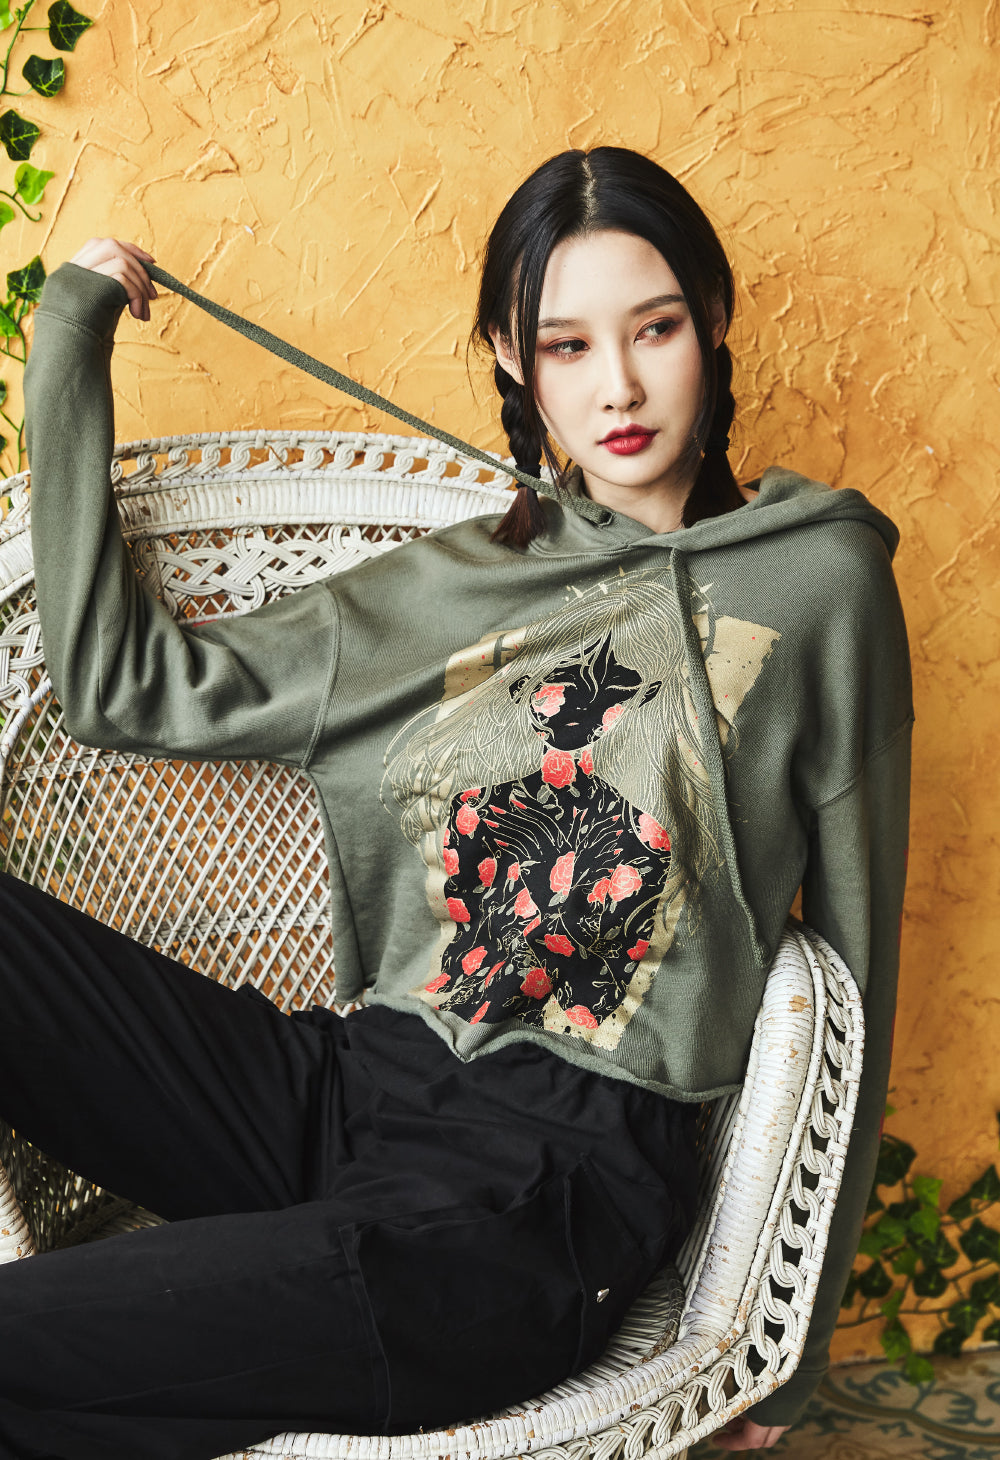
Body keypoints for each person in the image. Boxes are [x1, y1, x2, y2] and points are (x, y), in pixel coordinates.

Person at [3, 145, 912, 1460]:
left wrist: (786, 1347)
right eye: (566, 346)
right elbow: (121, 688)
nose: (617, 386)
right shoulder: (457, 589)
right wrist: (72, 335)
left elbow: (858, 961)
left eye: (655, 328)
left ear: (713, 322)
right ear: (510, 357)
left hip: (543, 1199)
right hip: (352, 1086)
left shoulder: (821, 580)